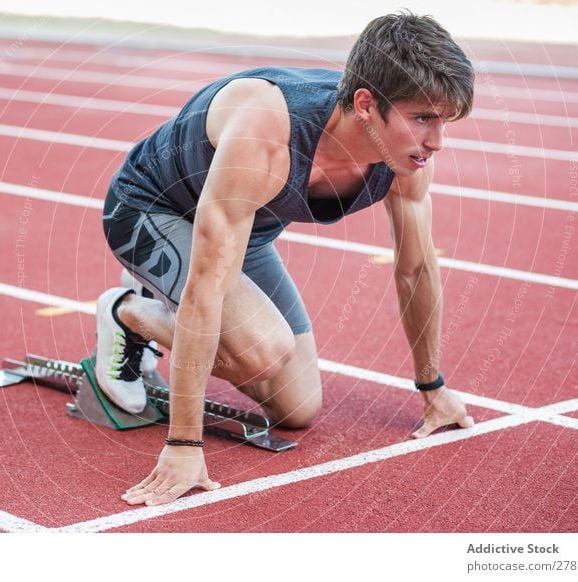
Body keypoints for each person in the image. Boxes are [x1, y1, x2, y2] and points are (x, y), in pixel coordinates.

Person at [97, 11, 476, 507]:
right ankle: (126, 313)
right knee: (261, 349)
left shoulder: (406, 162)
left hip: (242, 229)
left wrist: (432, 387)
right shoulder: (267, 133)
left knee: (297, 407)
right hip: (151, 210)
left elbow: (416, 268)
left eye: (445, 120)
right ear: (366, 104)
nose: (437, 141)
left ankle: (148, 307)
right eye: (423, 117)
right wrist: (183, 444)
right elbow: (207, 286)